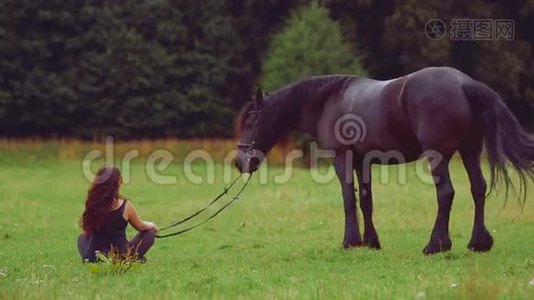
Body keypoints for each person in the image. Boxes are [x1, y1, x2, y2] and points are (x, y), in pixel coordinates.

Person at [77, 166, 158, 263]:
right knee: (149, 233)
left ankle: (89, 259)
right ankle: (133, 259)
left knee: (82, 237)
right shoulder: (125, 205)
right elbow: (141, 226)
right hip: (120, 258)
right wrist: (153, 226)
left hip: (94, 257)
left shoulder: (92, 204)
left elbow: (87, 230)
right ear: (117, 182)